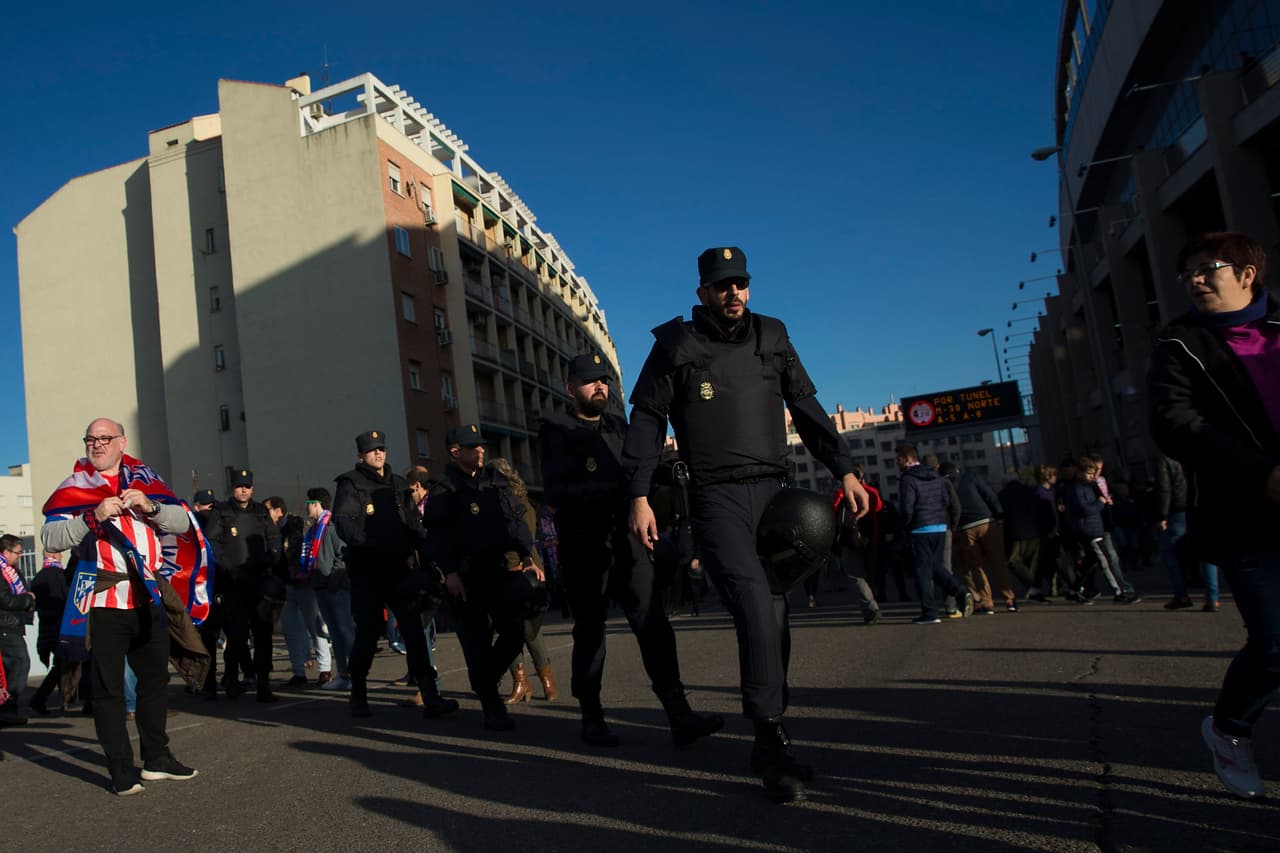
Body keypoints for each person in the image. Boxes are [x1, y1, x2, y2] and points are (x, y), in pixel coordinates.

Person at [622, 246, 869, 804]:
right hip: (714, 498)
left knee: (777, 616)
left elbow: (807, 408)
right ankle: (770, 740)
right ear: (702, 293)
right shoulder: (676, 346)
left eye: (741, 283)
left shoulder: (773, 337)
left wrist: (845, 469)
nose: (733, 293)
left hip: (774, 496)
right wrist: (639, 495)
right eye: (722, 286)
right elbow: (644, 422)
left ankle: (770, 735)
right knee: (756, 605)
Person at [1147, 231, 1280, 799]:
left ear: (1247, 274)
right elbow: (1174, 424)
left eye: (1208, 269)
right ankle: (1230, 728)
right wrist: (1261, 471)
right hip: (1243, 513)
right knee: (1275, 641)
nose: (1196, 280)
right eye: (1189, 273)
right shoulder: (1180, 344)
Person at [541, 353, 721, 748]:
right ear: (571, 388)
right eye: (590, 381)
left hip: (627, 541)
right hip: (584, 546)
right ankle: (591, 717)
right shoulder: (555, 429)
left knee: (652, 620)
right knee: (590, 630)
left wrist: (667, 470)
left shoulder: (620, 427)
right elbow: (556, 491)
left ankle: (678, 714)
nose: (600, 386)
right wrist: (616, 491)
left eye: (603, 380)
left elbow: (642, 471)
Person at [40, 417, 199, 795]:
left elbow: (183, 522)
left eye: (104, 438)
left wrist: (152, 508)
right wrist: (91, 517)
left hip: (148, 599)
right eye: (90, 439)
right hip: (104, 601)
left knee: (156, 682)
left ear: (121, 443)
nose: (96, 445)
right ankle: (120, 768)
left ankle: (158, 759)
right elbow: (50, 536)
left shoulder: (146, 481)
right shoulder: (75, 487)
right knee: (109, 691)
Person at [333, 430, 457, 720]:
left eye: (381, 448)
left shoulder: (399, 484)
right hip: (368, 571)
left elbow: (414, 522)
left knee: (414, 633)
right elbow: (343, 522)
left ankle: (431, 696)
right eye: (372, 450)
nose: (378, 453)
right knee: (367, 635)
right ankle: (358, 695)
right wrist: (366, 542)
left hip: (400, 569)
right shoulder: (351, 483)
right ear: (361, 455)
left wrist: (428, 548)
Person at [422, 425, 539, 731]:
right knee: (476, 643)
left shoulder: (494, 481)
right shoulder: (444, 488)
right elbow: (435, 537)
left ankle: (485, 676)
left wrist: (526, 553)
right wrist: (449, 572)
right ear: (455, 451)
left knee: (517, 629)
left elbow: (515, 520)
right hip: (464, 576)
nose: (481, 451)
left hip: (498, 570)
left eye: (482, 446)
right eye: (474, 447)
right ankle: (492, 708)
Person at [486, 458, 557, 705]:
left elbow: (516, 541)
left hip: (514, 569)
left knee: (512, 629)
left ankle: (521, 683)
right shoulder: (525, 503)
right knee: (531, 630)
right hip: (530, 568)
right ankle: (547, 683)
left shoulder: (508, 503)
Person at [896, 444, 970, 624]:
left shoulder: (908, 480)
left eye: (898, 459)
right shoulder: (935, 477)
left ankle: (931, 612)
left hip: (920, 529)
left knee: (922, 572)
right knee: (936, 567)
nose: (896, 463)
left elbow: (907, 508)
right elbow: (946, 500)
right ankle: (960, 592)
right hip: (939, 526)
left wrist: (904, 525)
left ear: (907, 459)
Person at [302, 488, 356, 691]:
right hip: (321, 586)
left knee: (346, 631)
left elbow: (342, 556)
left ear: (316, 504)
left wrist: (335, 580)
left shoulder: (331, 526)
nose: (307, 507)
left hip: (336, 586)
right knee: (333, 632)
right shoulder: (314, 529)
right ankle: (343, 674)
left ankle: (356, 674)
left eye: (309, 503)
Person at [0, 535, 33, 717]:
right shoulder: (2, 571)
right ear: (6, 551)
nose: (19, 556)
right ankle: (9, 707)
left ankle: (8, 706)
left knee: (10, 668)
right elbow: (6, 600)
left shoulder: (9, 570)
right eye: (17, 553)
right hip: (5, 626)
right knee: (21, 662)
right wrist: (28, 599)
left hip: (10, 625)